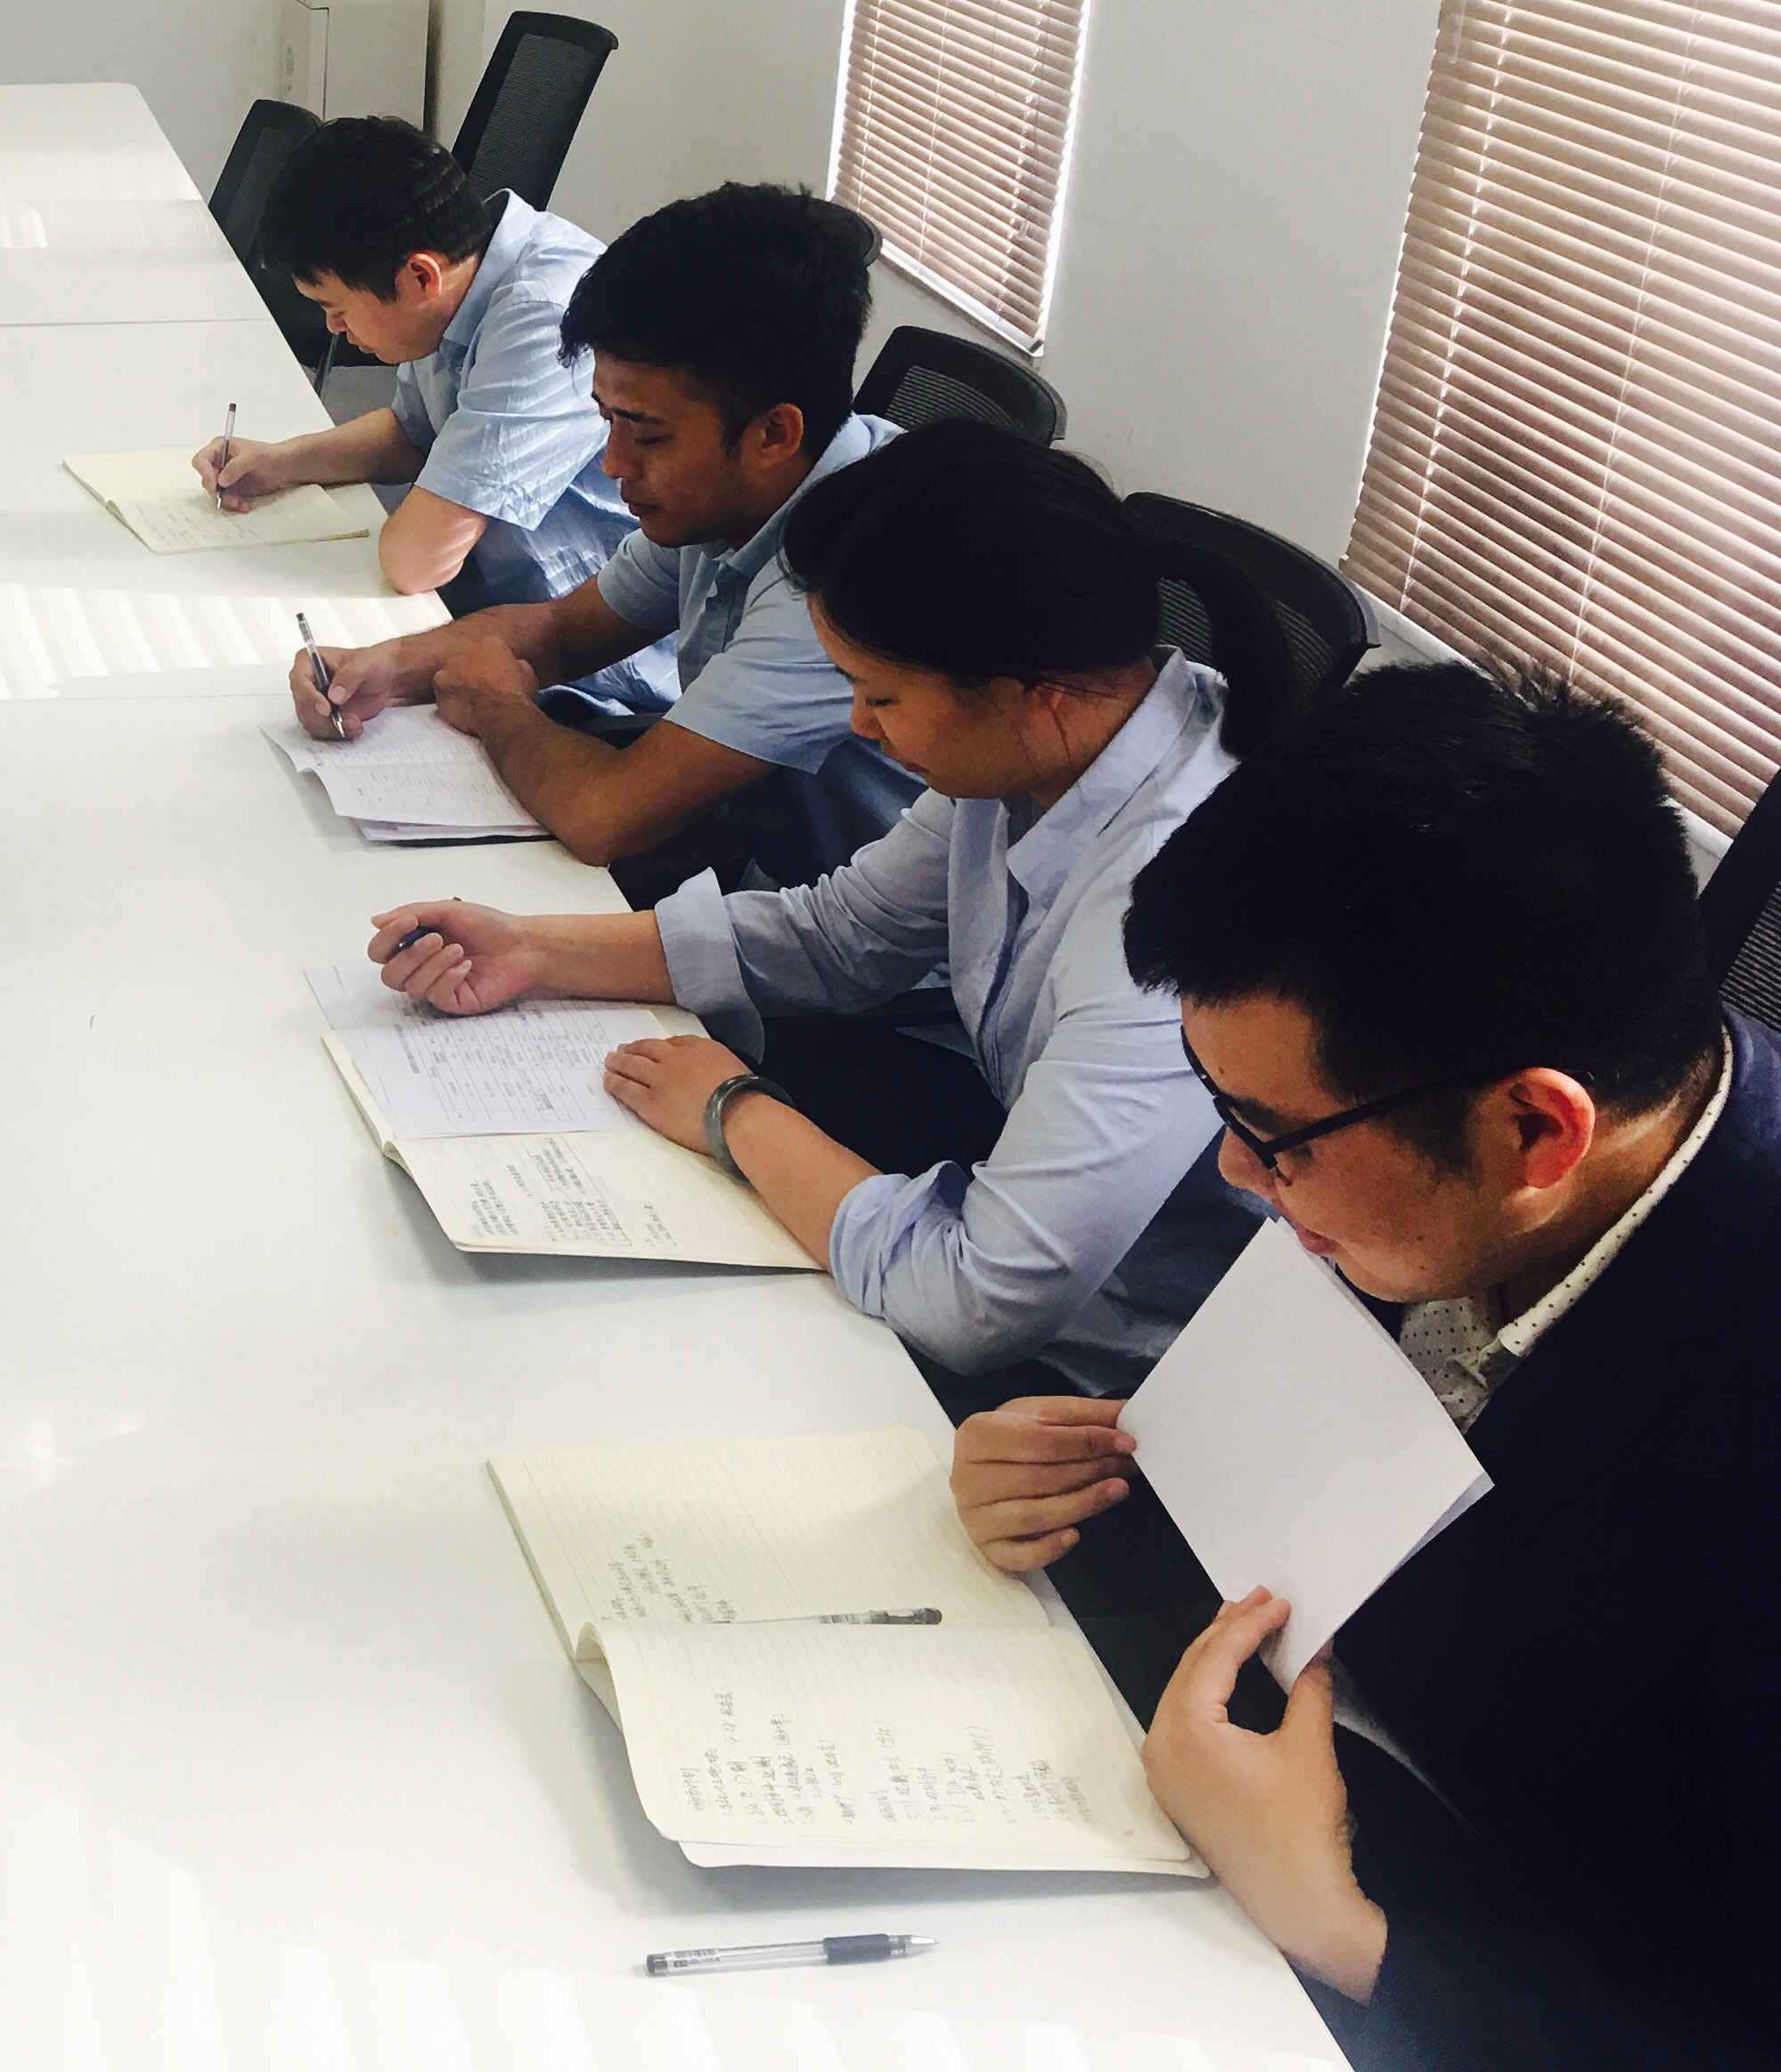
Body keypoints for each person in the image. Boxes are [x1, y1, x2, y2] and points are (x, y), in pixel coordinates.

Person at [945, 666, 1781, 2072]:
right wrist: (1092, 1486)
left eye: (1270, 1134)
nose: (1237, 1172)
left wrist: (1348, 1931)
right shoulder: (1438, 1166)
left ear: (1535, 1134)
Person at [370, 426, 1279, 1392]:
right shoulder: (1050, 742)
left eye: (881, 696)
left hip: (1146, 1363)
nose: (858, 725)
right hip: (1009, 1194)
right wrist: (534, 949)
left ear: (1029, 694)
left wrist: (733, 1109)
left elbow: (980, 1301)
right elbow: (843, 935)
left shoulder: (1172, 899)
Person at [286, 183, 917, 885]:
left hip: (838, 917)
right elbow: (564, 630)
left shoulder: (839, 580)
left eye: (646, 435)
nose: (614, 464)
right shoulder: (729, 497)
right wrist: (384, 667)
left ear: (774, 433)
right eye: (606, 419)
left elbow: (605, 816)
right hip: (762, 846)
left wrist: (498, 707)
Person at [187, 116, 642, 614]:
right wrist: (283, 462)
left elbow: (417, 561)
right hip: (489, 597)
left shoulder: (545, 320)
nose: (334, 328)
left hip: (576, 635)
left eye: (336, 308)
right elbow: (412, 435)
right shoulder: (458, 279)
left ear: (420, 277)